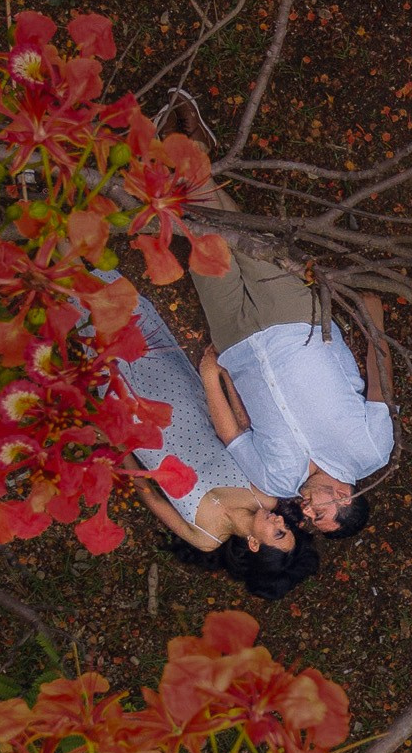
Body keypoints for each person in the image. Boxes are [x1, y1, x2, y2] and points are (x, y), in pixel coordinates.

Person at [111, 292, 320, 601]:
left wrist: (117, 446)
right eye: (287, 528)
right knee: (129, 321)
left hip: (136, 427)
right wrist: (223, 375)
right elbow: (242, 428)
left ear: (254, 544)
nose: (281, 521)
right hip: (181, 395)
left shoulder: (205, 538)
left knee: (99, 354)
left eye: (279, 532)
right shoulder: (264, 494)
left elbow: (150, 496)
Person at [190, 234, 393, 540]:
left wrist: (210, 376)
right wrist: (374, 321)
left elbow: (232, 436)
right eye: (318, 515)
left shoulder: (275, 483)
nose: (305, 513)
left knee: (204, 245)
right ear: (344, 497)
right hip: (296, 320)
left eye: (311, 520)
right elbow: (380, 385)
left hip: (235, 343)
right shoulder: (373, 451)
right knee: (242, 232)